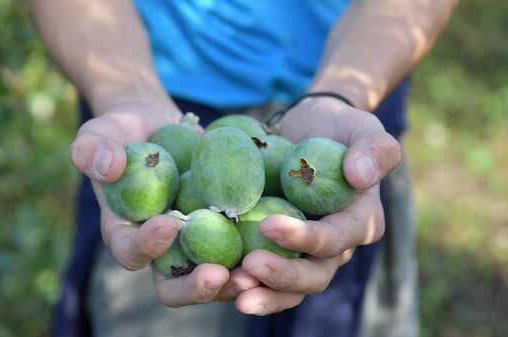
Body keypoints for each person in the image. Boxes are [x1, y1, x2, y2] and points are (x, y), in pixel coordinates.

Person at [28, 1, 457, 336]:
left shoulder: (299, 159)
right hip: (154, 103)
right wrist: (122, 89)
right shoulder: (171, 166)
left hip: (342, 109)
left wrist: (344, 91)